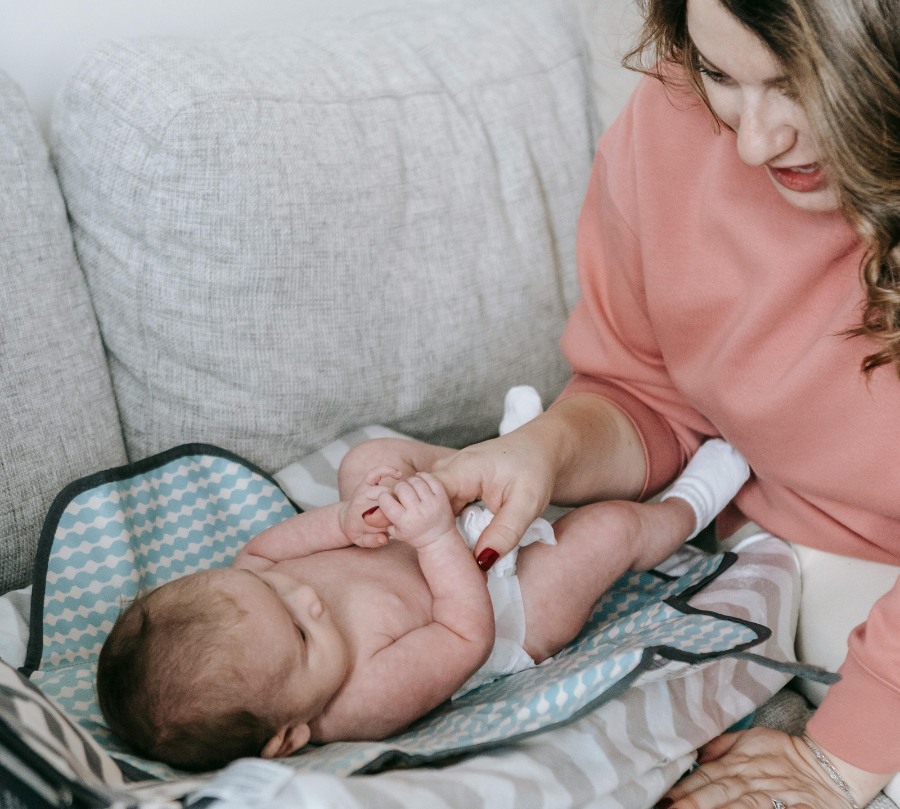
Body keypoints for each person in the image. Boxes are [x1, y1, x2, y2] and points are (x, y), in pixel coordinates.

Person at [430, 0, 900, 806]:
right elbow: (645, 391)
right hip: (796, 558)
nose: (754, 141)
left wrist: (837, 759)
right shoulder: (668, 123)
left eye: (798, 87)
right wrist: (541, 452)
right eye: (721, 73)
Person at [95, 436, 747, 772]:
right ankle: (684, 508)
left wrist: (352, 517)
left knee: (369, 459)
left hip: (429, 532)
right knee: (605, 533)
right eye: (299, 633)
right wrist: (435, 537)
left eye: (270, 588)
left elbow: (268, 550)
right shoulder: (360, 701)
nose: (306, 596)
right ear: (289, 735)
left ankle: (503, 456)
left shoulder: (257, 577)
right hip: (506, 600)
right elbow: (463, 633)